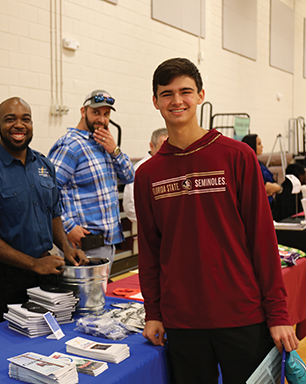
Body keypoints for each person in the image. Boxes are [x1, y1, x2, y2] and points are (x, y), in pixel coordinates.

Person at [135, 58, 299, 384]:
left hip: (242, 314)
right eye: (167, 94)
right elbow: (151, 251)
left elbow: (262, 239)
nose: (177, 101)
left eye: (185, 91)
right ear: (155, 101)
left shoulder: (237, 156)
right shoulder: (147, 175)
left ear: (200, 95)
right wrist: (153, 312)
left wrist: (278, 314)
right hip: (183, 322)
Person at [0, 97, 88, 326]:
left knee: (48, 342)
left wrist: (66, 247)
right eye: (10, 119)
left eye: (26, 119)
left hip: (47, 271)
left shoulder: (44, 166)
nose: (19, 125)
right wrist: (34, 264)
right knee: (12, 344)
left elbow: (54, 213)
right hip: (6, 279)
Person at [47, 90, 135, 263]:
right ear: (83, 111)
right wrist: (68, 226)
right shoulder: (70, 146)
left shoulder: (104, 144)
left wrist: (114, 150)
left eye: (106, 114)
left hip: (107, 243)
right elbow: (47, 191)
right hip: (81, 245)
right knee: (82, 291)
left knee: (99, 291)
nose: (101, 119)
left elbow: (129, 176)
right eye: (95, 112)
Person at [122, 128, 168, 223]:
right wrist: (150, 224)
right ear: (152, 146)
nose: (166, 151)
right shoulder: (140, 169)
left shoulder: (172, 166)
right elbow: (130, 204)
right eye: (162, 147)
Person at [242, 134, 282, 204]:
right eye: (259, 144)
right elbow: (262, 187)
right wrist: (277, 188)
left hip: (269, 201)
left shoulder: (259, 163)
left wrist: (275, 188)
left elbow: (272, 182)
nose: (262, 147)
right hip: (257, 203)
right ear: (251, 146)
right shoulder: (247, 164)